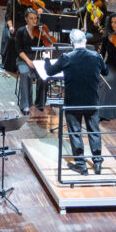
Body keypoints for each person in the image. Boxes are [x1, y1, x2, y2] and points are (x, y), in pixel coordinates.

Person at [46, 28, 108, 175]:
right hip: (91, 101)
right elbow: (105, 72)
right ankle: (97, 163)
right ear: (85, 41)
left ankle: (81, 164)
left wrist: (47, 58)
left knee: (75, 132)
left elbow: (49, 71)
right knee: (94, 131)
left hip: (73, 102)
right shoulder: (96, 56)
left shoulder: (66, 58)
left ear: (71, 42)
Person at [15, 7, 48, 114]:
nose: (34, 21)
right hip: (23, 59)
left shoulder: (39, 31)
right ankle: (25, 105)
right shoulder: (20, 31)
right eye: (31, 18)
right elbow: (18, 50)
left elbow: (46, 47)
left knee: (43, 76)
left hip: (37, 59)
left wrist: (45, 37)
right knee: (25, 74)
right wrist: (28, 61)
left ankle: (40, 103)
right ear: (26, 19)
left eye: (35, 18)